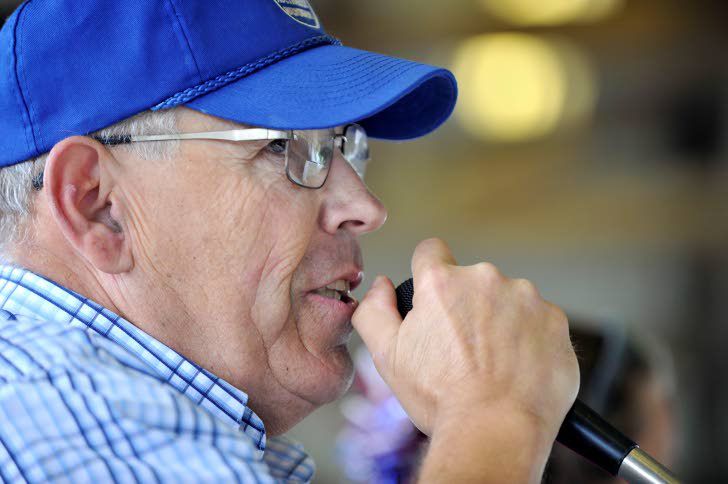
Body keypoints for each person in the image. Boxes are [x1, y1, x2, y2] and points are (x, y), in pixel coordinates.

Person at [0, 0, 579, 482]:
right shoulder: (57, 402)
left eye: (345, 147)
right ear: (96, 204)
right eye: (283, 147)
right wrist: (494, 415)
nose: (367, 208)